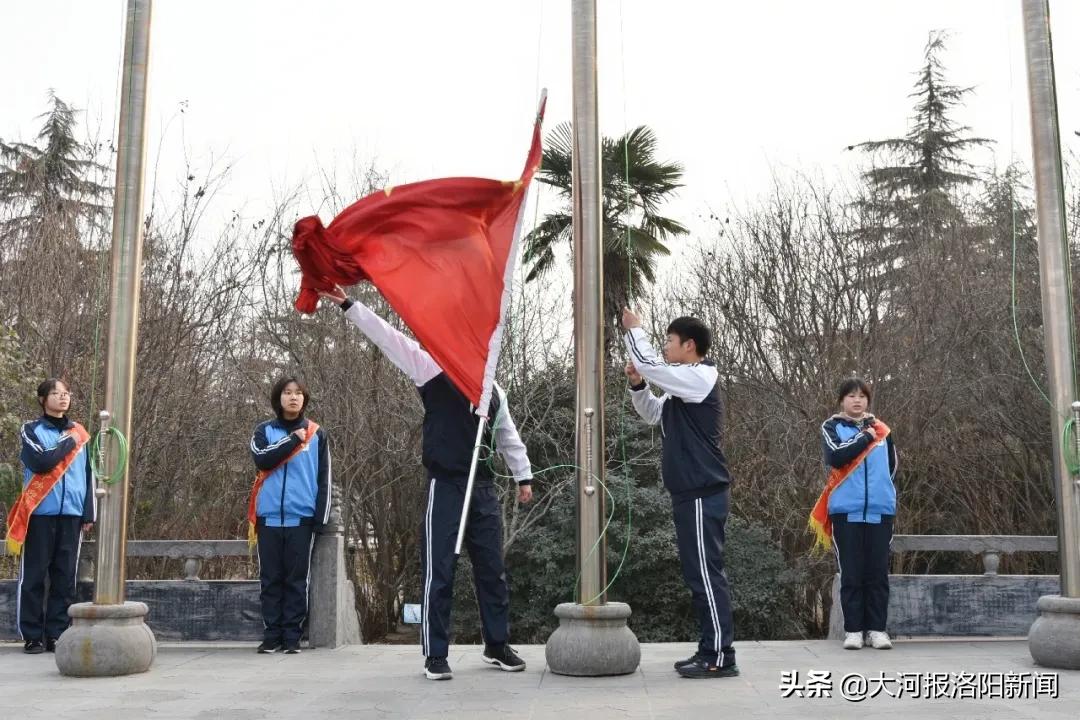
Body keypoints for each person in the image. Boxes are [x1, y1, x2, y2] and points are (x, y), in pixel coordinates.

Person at [318, 285, 533, 681]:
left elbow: (508, 436)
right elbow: (389, 337)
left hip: (482, 490)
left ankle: (497, 644)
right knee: (441, 570)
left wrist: (524, 476)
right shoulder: (431, 369)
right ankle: (436, 654)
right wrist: (350, 305)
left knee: (492, 570)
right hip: (446, 486)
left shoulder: (492, 388)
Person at [622, 308, 739, 679]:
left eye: (670, 341)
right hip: (689, 494)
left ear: (689, 346)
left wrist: (635, 331)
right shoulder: (683, 388)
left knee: (706, 574)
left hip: (703, 492)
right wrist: (639, 386)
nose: (666, 346)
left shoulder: (701, 377)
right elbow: (653, 413)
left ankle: (720, 655)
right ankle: (710, 650)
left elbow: (651, 364)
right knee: (698, 574)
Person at [10, 378, 95, 654]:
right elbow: (41, 463)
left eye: (66, 393)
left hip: (71, 514)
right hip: (40, 514)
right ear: (42, 399)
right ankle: (32, 635)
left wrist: (88, 511)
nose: (63, 398)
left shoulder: (79, 433)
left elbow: (88, 474)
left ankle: (57, 633)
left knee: (64, 577)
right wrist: (67, 444)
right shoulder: (31, 430)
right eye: (56, 393)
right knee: (33, 576)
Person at [248, 377, 331, 654]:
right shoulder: (263, 431)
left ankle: (292, 637)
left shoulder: (317, 433)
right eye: (287, 392)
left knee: (297, 580)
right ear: (278, 397)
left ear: (305, 399)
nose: (293, 398)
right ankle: (271, 636)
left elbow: (324, 479)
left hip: (301, 519)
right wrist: (291, 441)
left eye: (298, 393)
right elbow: (262, 459)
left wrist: (321, 517)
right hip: (268, 518)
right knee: (270, 579)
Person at [814, 377, 897, 651]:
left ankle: (877, 630)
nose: (857, 400)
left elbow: (893, 467)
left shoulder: (882, 431)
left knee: (877, 572)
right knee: (851, 572)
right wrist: (864, 437)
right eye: (851, 395)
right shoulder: (832, 426)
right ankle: (853, 631)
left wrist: (881, 491)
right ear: (842, 400)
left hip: (879, 511)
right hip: (846, 511)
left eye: (862, 395)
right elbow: (835, 456)